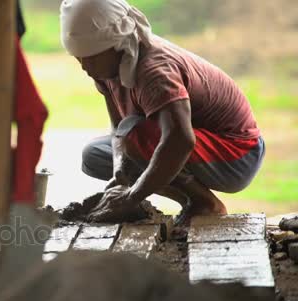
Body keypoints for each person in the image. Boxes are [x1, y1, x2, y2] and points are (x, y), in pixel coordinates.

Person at [60, 0, 265, 224]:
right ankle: (189, 199)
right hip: (183, 142)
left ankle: (204, 203)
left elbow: (180, 140)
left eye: (90, 57)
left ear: (115, 45)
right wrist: (120, 175)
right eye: (78, 57)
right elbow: (119, 127)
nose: (84, 66)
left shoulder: (155, 71)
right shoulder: (105, 68)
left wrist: (131, 196)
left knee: (136, 137)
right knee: (95, 155)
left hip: (238, 154)